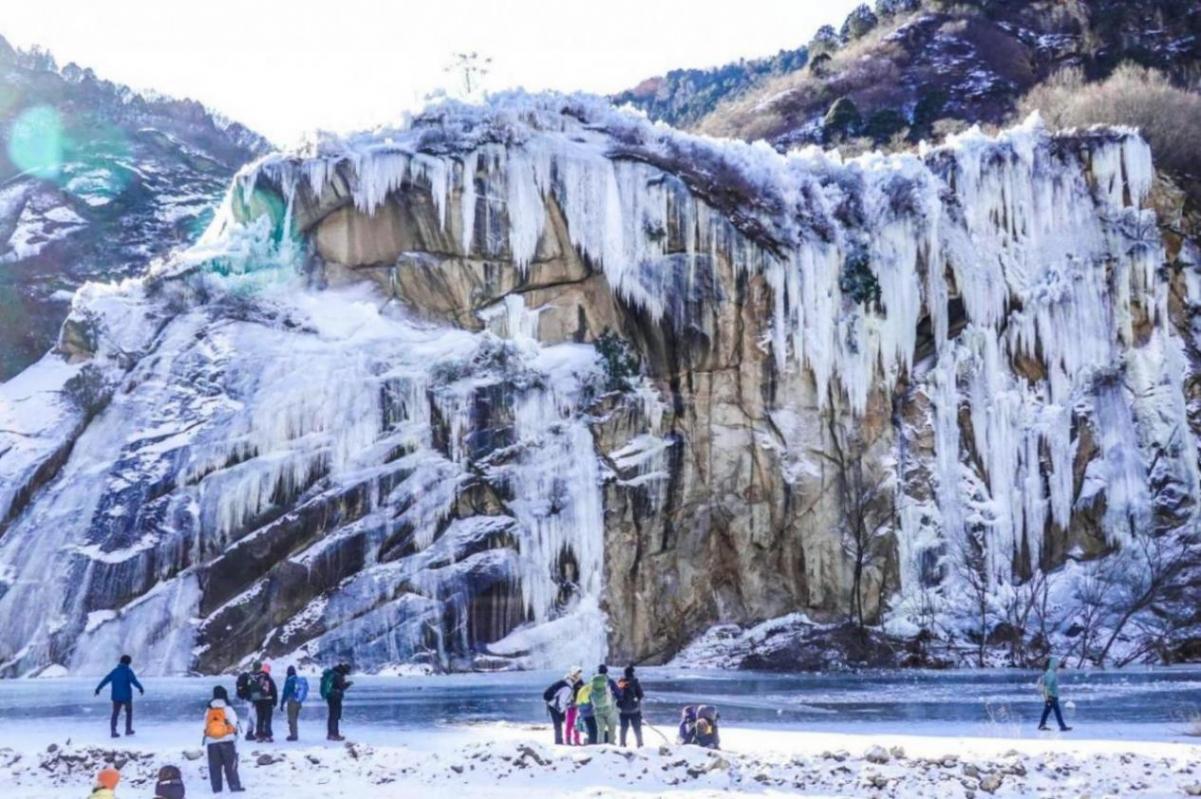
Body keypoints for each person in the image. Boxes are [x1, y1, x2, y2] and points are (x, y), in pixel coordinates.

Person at [203, 686, 245, 793]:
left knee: (214, 767)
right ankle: (234, 786)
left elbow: (205, 725)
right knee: (230, 766)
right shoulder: (227, 708)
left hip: (212, 741)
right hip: (227, 740)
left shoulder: (209, 708)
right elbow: (234, 722)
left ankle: (216, 788)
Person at [94, 655, 144, 738]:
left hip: (116, 696)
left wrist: (98, 689)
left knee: (115, 713)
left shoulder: (115, 671)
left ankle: (113, 731)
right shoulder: (128, 671)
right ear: (128, 662)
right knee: (129, 712)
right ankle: (128, 730)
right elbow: (134, 681)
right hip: (127, 696)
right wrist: (140, 688)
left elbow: (105, 680)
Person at [542, 669, 577, 745]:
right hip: (555, 706)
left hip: (552, 704)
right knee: (558, 725)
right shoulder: (567, 688)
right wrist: (562, 711)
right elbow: (562, 700)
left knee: (557, 724)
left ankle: (559, 740)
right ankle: (559, 742)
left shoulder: (563, 684)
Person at [1037, 656, 1072, 732]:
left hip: (1052, 696)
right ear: (1053, 664)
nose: (1057, 666)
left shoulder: (1051, 673)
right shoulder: (1051, 673)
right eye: (1056, 664)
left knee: (1051, 711)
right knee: (1051, 711)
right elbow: (1047, 686)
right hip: (1051, 696)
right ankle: (1061, 726)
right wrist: (1048, 697)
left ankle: (1044, 725)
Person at [321, 663, 353, 741]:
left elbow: (336, 686)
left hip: (330, 697)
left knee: (331, 715)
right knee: (335, 716)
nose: (346, 675)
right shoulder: (338, 676)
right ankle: (335, 735)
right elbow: (340, 687)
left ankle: (330, 734)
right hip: (335, 697)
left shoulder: (333, 673)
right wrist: (348, 684)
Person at [589, 665, 619, 745]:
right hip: (609, 708)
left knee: (600, 730)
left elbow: (589, 695)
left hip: (597, 708)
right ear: (606, 671)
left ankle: (600, 746)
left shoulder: (592, 681)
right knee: (611, 729)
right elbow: (619, 693)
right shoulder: (609, 681)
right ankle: (611, 745)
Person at [616, 664, 645, 747]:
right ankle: (639, 744)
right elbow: (641, 695)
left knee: (623, 728)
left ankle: (622, 743)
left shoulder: (621, 682)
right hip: (635, 710)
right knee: (637, 728)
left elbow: (617, 695)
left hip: (623, 710)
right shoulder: (635, 682)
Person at [279, 665, 309, 741]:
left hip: (292, 702)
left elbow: (285, 692)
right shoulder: (297, 680)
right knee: (295, 718)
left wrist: (282, 703)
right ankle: (294, 734)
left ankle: (293, 735)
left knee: (292, 719)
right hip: (298, 702)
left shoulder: (289, 681)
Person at [251, 662, 278, 743]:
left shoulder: (257, 678)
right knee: (267, 719)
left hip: (259, 702)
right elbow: (274, 691)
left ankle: (259, 735)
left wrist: (254, 701)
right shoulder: (269, 679)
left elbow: (253, 690)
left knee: (260, 718)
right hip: (268, 702)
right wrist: (274, 702)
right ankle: (268, 735)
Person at [563, 666, 584, 746]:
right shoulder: (568, 680)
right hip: (570, 704)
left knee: (577, 723)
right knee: (570, 722)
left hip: (578, 704)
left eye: (579, 673)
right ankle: (568, 739)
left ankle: (577, 740)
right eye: (577, 672)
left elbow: (582, 691)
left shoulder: (580, 681)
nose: (578, 674)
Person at [234, 668, 256, 741]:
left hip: (248, 700)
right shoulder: (251, 679)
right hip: (252, 700)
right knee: (253, 716)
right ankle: (255, 733)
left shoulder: (247, 678)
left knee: (250, 716)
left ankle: (250, 733)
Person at [574, 679, 597, 745]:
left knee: (589, 729)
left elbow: (577, 703)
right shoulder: (590, 690)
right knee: (594, 729)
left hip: (584, 713)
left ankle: (590, 743)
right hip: (591, 713)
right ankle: (594, 743)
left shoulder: (581, 691)